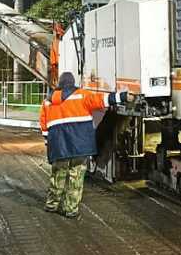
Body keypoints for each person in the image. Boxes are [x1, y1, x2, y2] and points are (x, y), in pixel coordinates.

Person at [39, 72, 133, 219]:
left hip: (59, 146)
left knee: (58, 175)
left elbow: (44, 125)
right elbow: (104, 100)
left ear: (60, 84)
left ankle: (52, 204)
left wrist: (48, 142)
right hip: (80, 146)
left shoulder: (48, 102)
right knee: (75, 178)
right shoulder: (82, 96)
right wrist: (123, 96)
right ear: (72, 83)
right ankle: (71, 209)